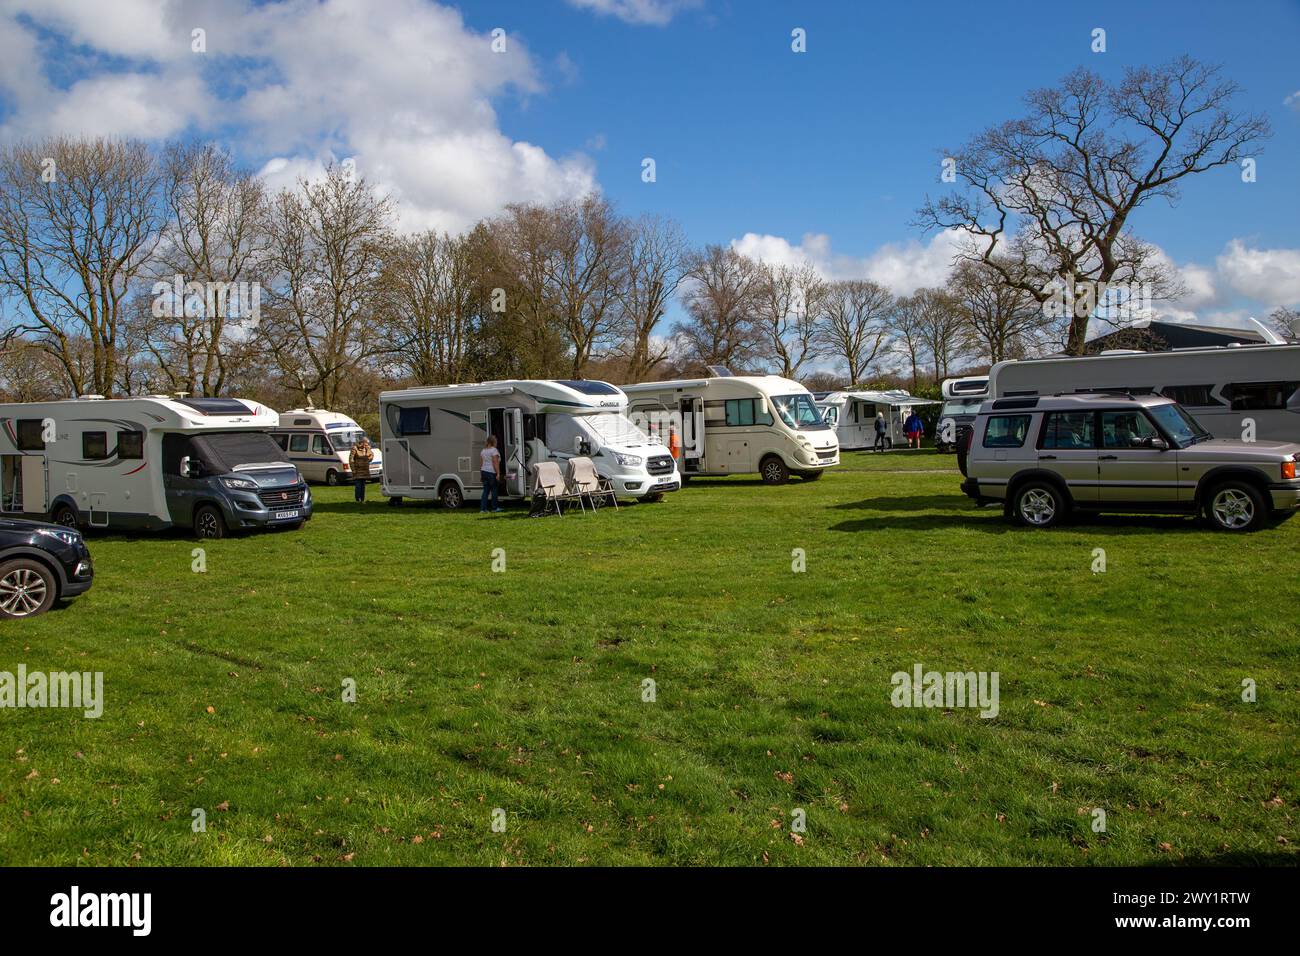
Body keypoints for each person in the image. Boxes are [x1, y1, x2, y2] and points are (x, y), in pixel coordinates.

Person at [480, 435, 503, 513]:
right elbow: (495, 463)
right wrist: (498, 473)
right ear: (493, 442)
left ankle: (483, 509)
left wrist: (481, 474)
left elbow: (482, 463)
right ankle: (494, 508)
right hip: (491, 472)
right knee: (494, 490)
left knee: (485, 491)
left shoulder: (483, 451)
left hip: (484, 472)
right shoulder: (494, 450)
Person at [349, 436, 374, 503]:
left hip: (365, 470)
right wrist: (353, 470)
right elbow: (351, 460)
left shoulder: (367, 449)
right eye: (366, 443)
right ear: (362, 442)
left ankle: (362, 500)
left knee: (363, 486)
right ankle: (358, 499)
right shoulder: (355, 448)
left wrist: (368, 450)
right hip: (358, 470)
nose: (367, 445)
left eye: (368, 444)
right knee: (358, 485)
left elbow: (370, 458)